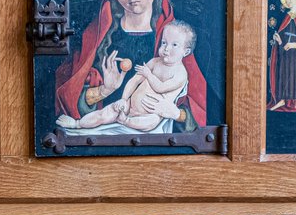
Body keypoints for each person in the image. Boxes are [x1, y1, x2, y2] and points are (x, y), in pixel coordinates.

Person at [54, 0, 207, 129]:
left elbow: (198, 111)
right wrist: (105, 90)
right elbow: (69, 99)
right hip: (105, 129)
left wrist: (176, 114)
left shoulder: (174, 37)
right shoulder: (99, 36)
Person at [57, 21, 196, 134]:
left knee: (151, 121)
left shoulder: (180, 74)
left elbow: (160, 87)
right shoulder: (154, 62)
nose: (166, 48)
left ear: (186, 51)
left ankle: (126, 121)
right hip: (129, 105)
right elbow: (135, 80)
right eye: (164, 42)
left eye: (174, 45)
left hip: (151, 114)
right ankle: (77, 124)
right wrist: (124, 99)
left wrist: (148, 74)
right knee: (105, 113)